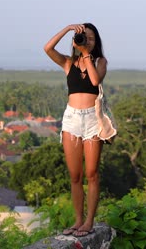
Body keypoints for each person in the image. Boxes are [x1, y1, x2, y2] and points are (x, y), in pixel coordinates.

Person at [43, 23, 107, 237]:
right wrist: (68, 28)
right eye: (83, 37)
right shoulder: (68, 63)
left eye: (90, 38)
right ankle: (78, 220)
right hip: (71, 119)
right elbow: (47, 48)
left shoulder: (99, 61)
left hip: (92, 120)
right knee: (75, 176)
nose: (87, 41)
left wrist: (86, 54)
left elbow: (95, 80)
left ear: (96, 41)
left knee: (92, 174)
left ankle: (89, 221)